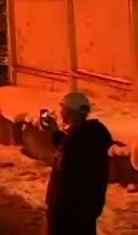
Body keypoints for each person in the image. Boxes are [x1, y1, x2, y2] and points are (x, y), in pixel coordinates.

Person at [44, 92, 113, 235]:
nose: (61, 113)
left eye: (63, 109)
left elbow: (68, 177)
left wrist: (55, 210)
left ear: (70, 112)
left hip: (68, 216)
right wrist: (56, 134)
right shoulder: (89, 137)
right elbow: (71, 149)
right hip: (85, 213)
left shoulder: (77, 142)